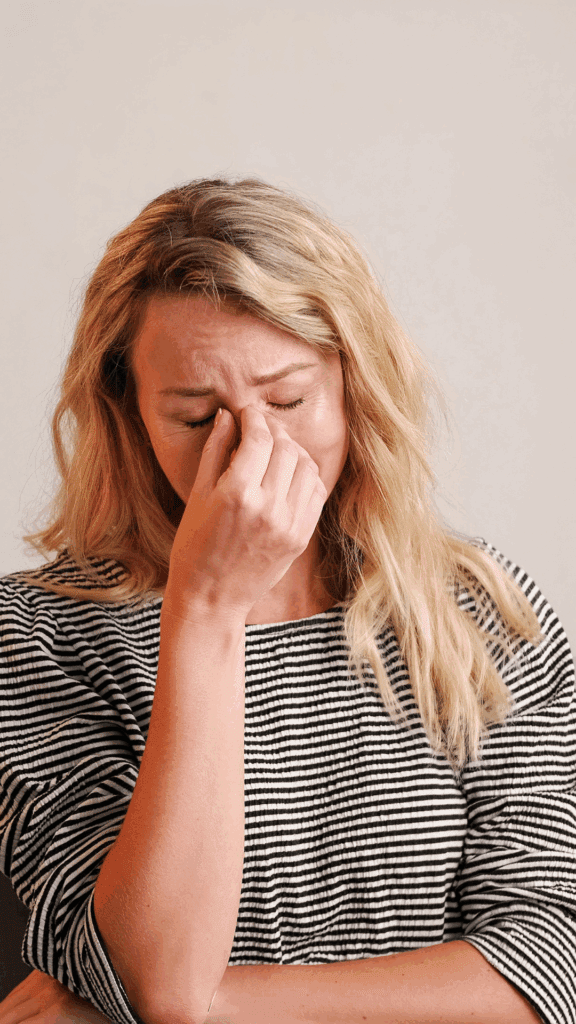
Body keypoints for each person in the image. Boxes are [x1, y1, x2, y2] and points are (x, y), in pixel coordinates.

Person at [0, 177, 574, 1024]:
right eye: (196, 417)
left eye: (289, 401)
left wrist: (221, 1004)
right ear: (131, 415)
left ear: (354, 384)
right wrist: (205, 611)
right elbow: (151, 972)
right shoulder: (40, 633)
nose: (252, 450)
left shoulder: (476, 611)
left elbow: (549, 963)